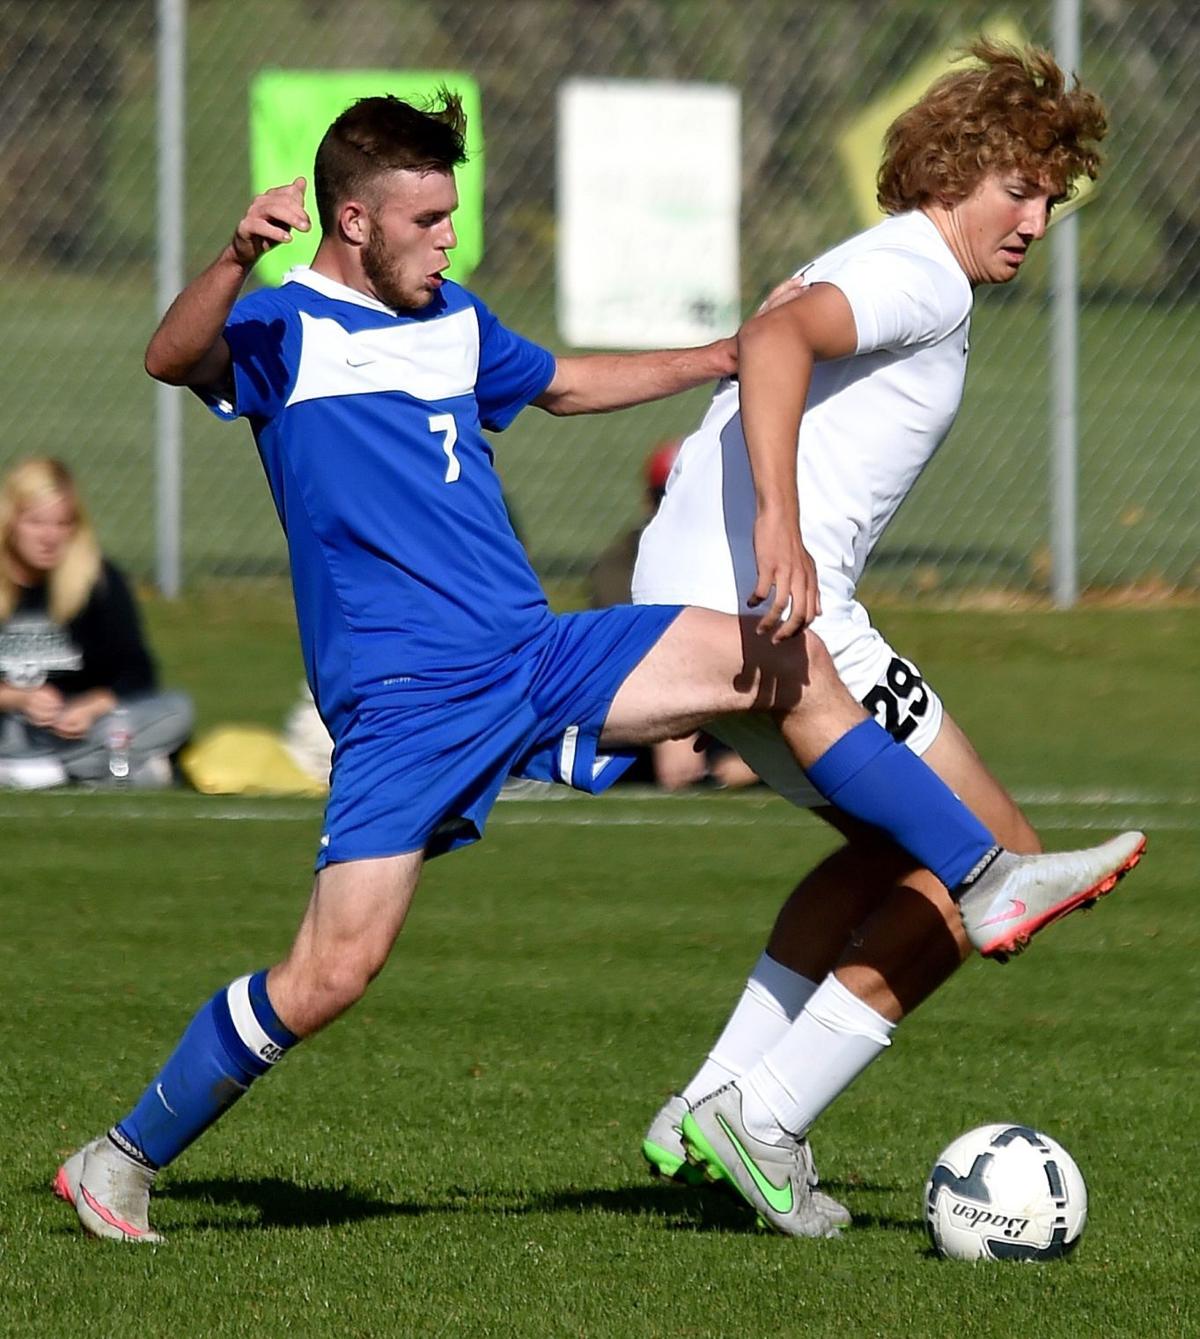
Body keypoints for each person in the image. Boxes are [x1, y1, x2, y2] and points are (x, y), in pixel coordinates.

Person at [52, 89, 1141, 1244]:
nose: (451, 240)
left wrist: (715, 356)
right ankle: (119, 1158)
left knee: (784, 656)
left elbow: (565, 382)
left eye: (453, 214)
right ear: (355, 222)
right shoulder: (289, 329)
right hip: (409, 704)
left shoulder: (452, 318)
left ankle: (981, 878)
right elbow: (174, 354)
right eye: (428, 221)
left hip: (536, 654)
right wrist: (234, 258)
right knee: (329, 974)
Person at [632, 39, 1137, 1235]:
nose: (1035, 222)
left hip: (698, 602)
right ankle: (766, 1115)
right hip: (778, 613)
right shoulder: (924, 274)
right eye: (1016, 190)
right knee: (995, 863)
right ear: (951, 172)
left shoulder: (878, 260)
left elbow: (776, 331)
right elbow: (773, 343)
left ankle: (706, 1105)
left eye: (1051, 200)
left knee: (883, 849)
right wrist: (780, 528)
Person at [0, 457, 192, 788]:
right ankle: (111, 769)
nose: (49, 537)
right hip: (9, 723)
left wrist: (90, 707)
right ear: (10, 521)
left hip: (79, 731)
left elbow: (137, 672)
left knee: (176, 709)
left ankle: (48, 771)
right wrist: (18, 698)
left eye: (62, 524)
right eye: (36, 523)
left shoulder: (98, 580)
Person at [588, 438, 757, 790]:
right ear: (649, 501)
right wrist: (670, 734)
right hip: (659, 706)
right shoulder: (622, 562)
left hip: (735, 704)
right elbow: (631, 652)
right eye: (665, 496)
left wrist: (755, 757)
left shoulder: (748, 552)